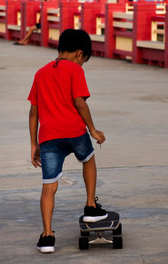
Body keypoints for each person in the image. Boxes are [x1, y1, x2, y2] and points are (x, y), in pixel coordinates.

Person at [28, 29, 108, 253]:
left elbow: (33, 111)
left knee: (49, 186)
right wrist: (92, 129)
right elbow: (80, 102)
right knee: (88, 159)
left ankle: (47, 236)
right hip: (74, 131)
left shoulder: (41, 73)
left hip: (49, 137)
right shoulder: (74, 69)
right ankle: (91, 206)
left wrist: (34, 144)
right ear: (80, 54)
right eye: (84, 61)